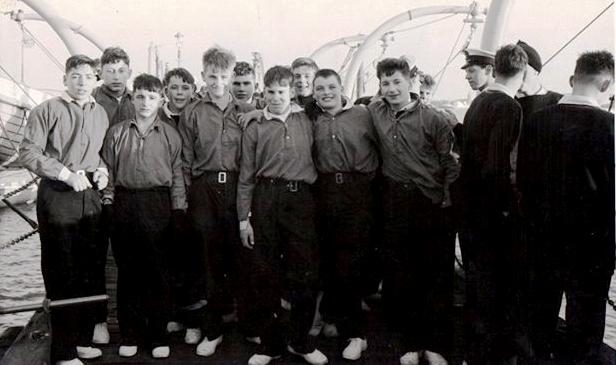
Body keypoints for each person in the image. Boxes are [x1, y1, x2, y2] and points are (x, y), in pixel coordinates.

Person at [518, 50, 614, 364]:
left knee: (540, 313)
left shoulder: (536, 120)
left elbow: (524, 181)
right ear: (606, 85)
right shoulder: (609, 126)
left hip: (542, 236)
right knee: (585, 323)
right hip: (592, 244)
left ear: (573, 79)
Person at [18, 54, 108, 365]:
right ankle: (63, 352)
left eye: (88, 76)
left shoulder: (100, 113)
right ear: (65, 79)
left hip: (88, 195)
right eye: (76, 76)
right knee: (62, 272)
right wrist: (64, 173)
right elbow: (28, 152)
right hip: (57, 194)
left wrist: (102, 171)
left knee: (87, 270)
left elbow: (98, 154)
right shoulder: (47, 110)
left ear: (96, 81)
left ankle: (81, 340)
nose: (82, 82)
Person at [368, 57, 459, 365]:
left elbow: (451, 164)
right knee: (402, 275)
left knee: (435, 276)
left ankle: (434, 344)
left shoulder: (433, 118)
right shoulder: (375, 111)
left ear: (410, 82)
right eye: (385, 83)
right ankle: (410, 342)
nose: (391, 89)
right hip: (395, 202)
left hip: (430, 203)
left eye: (396, 82)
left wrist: (446, 203)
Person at [238, 65, 327, 365]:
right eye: (271, 92)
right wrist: (243, 219)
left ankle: (300, 341)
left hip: (301, 199)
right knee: (265, 274)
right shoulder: (255, 126)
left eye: (282, 91)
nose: (276, 98)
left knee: (305, 272)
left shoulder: (307, 119)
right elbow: (246, 177)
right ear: (264, 93)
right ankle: (270, 345)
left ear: (291, 92)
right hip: (266, 198)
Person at [178, 45, 256, 357]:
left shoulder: (247, 112)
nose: (219, 82)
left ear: (232, 75)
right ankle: (213, 330)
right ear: (203, 76)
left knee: (243, 257)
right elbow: (184, 159)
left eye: (224, 76)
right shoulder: (192, 112)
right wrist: (186, 198)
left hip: (238, 187)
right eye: (212, 76)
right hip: (204, 188)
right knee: (209, 260)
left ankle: (250, 325)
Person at [101, 74, 186, 359]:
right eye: (140, 96)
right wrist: (109, 203)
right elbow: (109, 173)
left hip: (158, 203)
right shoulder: (117, 132)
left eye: (151, 97)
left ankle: (158, 334)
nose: (145, 102)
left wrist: (177, 210)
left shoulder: (170, 134)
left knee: (158, 271)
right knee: (129, 272)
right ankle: (130, 333)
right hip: (125, 202)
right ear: (132, 98)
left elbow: (176, 175)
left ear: (161, 99)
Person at [458, 44, 528, 364]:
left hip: (470, 208)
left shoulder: (479, 102)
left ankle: (477, 345)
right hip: (491, 213)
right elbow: (496, 167)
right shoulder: (509, 108)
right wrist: (507, 208)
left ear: (495, 69)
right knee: (496, 283)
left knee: (478, 280)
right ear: (523, 72)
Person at [307, 69, 379, 360]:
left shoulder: (363, 114)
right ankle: (332, 318)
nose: (326, 92)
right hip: (324, 192)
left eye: (331, 87)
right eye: (320, 88)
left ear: (341, 88)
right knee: (327, 260)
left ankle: (356, 334)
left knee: (352, 263)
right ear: (313, 92)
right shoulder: (311, 118)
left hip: (358, 191)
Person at [91, 46, 136, 345]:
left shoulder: (140, 99)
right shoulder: (91, 101)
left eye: (121, 71)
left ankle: (135, 317)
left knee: (134, 255)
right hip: (98, 187)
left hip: (132, 188)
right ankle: (98, 319)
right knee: (95, 256)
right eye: (110, 71)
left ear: (129, 72)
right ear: (100, 73)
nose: (116, 77)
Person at [515, 40, 563, 117]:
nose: (517, 73)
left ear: (536, 71)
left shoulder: (558, 101)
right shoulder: (507, 100)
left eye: (522, 67)